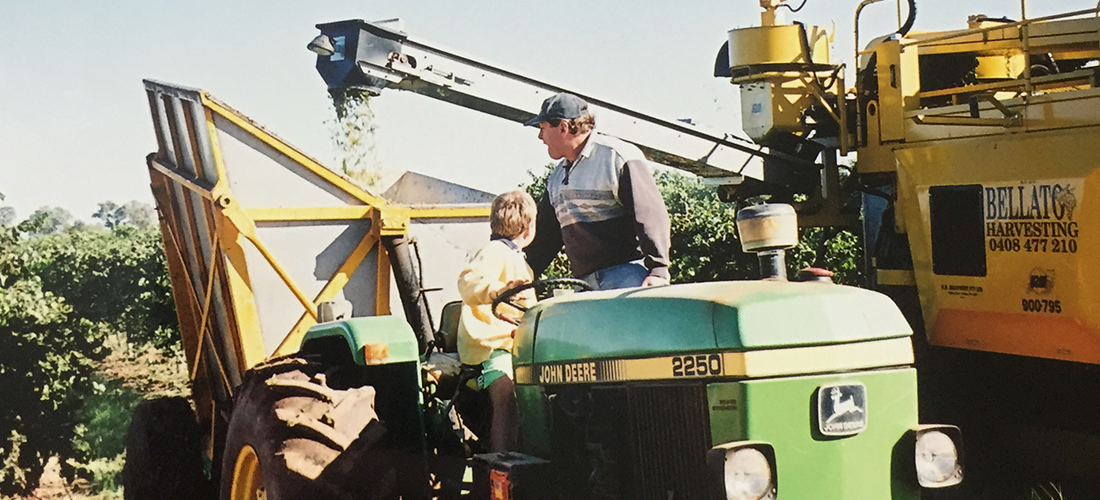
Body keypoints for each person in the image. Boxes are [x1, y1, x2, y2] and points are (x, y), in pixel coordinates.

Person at [523, 92, 672, 290]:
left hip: (626, 277)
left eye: (542, 128)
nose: (540, 136)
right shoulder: (556, 178)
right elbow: (546, 237)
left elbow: (650, 214)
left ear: (563, 127)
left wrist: (658, 270)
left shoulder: (616, 157)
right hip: (585, 283)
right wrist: (522, 275)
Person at [456, 190, 538, 452]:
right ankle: (502, 462)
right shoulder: (495, 251)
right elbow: (468, 282)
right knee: (508, 395)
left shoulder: (516, 258)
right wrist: (499, 291)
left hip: (513, 343)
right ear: (528, 229)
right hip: (490, 345)